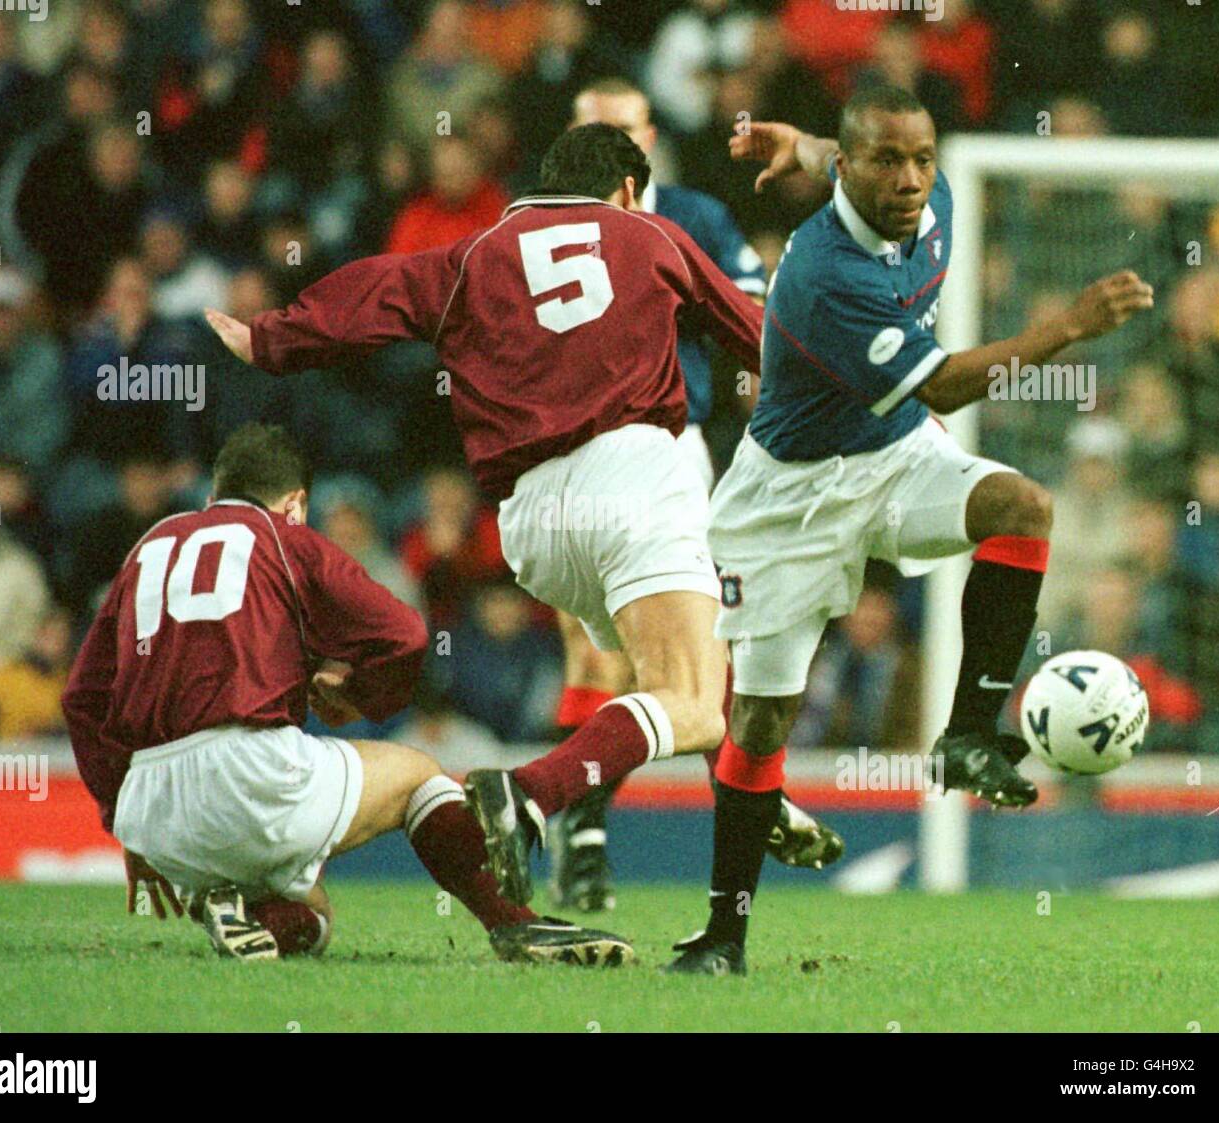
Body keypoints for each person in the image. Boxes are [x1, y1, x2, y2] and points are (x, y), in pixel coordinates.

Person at [204, 124, 763, 943]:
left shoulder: (469, 256)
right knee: (695, 702)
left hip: (529, 524)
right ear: (629, 191)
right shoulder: (650, 232)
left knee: (648, 676)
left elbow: (376, 291)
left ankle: (690, 801)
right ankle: (534, 792)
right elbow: (759, 336)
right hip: (635, 473)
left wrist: (273, 338)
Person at [672, 84, 1154, 974]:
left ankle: (968, 730)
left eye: (922, 159)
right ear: (850, 172)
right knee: (764, 719)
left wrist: (806, 138)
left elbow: (837, 152)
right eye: (886, 161)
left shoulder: (921, 197)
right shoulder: (824, 276)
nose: (910, 179)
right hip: (791, 499)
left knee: (1023, 506)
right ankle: (721, 938)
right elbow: (944, 387)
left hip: (894, 458)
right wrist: (1071, 325)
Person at [62, 422, 631, 967]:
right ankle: (513, 921)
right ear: (296, 502)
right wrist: (358, 695)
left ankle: (238, 910)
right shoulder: (286, 537)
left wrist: (126, 819)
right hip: (248, 773)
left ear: (216, 492)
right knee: (418, 775)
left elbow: (83, 698)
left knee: (313, 919)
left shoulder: (150, 545)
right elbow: (406, 634)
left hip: (152, 808)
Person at [549, 78, 841, 914]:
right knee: (614, 645)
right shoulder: (531, 226)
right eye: (592, 128)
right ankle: (714, 799)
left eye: (624, 129)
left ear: (650, 141)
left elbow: (751, 305)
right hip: (568, 444)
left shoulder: (696, 218)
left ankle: (580, 822)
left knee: (669, 636)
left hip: (670, 447)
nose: (608, 142)